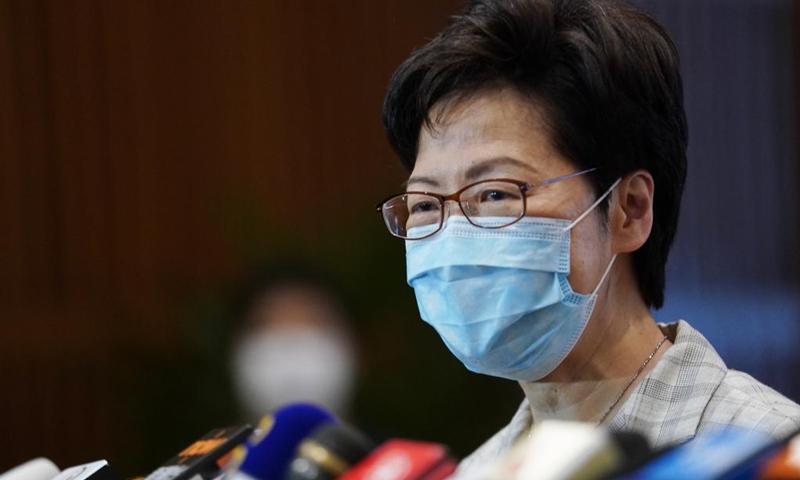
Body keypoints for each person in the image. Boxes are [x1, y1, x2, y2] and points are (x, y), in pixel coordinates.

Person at [375, 0, 800, 473]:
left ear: (630, 210)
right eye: (426, 206)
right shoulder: (479, 471)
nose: (453, 236)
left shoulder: (769, 454)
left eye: (495, 194)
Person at [228, 266, 358, 420]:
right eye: (268, 323)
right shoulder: (202, 445)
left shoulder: (390, 443)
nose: (292, 342)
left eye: (314, 321)